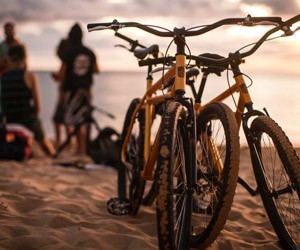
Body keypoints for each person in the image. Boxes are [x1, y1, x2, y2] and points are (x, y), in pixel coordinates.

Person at [1, 45, 56, 157]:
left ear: (9, 59)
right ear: (25, 58)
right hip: (26, 119)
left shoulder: (3, 77)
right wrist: (33, 118)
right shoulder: (30, 76)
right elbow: (37, 105)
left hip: (9, 120)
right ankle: (52, 155)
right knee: (44, 142)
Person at [61, 22, 100, 155]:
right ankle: (83, 149)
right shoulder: (89, 52)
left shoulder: (68, 53)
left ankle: (80, 149)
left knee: (73, 119)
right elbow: (96, 70)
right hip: (87, 90)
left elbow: (62, 73)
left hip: (73, 90)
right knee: (84, 119)